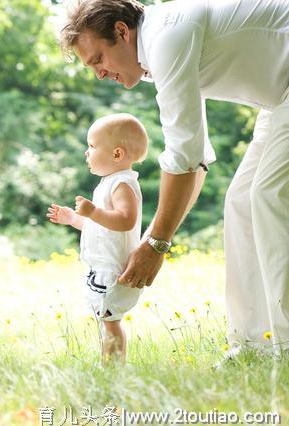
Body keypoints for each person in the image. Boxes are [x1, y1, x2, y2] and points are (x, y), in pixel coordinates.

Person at [59, 0, 289, 356]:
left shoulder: (167, 36)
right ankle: (254, 345)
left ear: (122, 31)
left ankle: (286, 345)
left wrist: (155, 245)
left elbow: (184, 156)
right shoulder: (158, 50)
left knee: (269, 195)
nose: (99, 74)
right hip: (279, 100)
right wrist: (154, 241)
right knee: (241, 202)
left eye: (98, 60)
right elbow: (195, 161)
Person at [47, 113, 148, 363]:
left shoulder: (122, 184)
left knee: (110, 322)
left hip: (114, 271)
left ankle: (113, 369)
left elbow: (126, 220)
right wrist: (74, 219)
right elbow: (100, 227)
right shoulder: (108, 183)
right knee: (106, 320)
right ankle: (109, 363)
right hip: (101, 268)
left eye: (92, 146)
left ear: (117, 154)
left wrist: (93, 211)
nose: (86, 152)